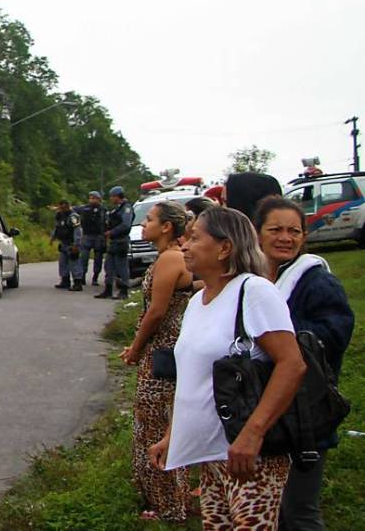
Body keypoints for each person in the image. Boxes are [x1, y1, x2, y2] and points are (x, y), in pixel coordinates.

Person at [148, 207, 307, 530]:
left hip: (248, 455)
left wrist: (252, 435)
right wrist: (172, 434)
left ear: (224, 248)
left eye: (194, 238)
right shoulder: (198, 301)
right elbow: (194, 378)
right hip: (212, 455)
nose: (185, 246)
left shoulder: (254, 292)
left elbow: (292, 365)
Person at [253, 197, 354, 531]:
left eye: (294, 231)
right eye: (276, 229)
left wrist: (281, 340)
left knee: (299, 512)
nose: (286, 237)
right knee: (272, 510)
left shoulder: (315, 281)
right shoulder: (254, 279)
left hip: (305, 413)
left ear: (304, 237)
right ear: (257, 233)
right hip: (264, 408)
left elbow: (335, 334)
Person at [119, 201, 194, 522]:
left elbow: (157, 312)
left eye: (149, 219)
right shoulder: (175, 257)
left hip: (162, 352)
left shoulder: (169, 259)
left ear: (166, 227)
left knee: (154, 426)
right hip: (169, 349)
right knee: (163, 422)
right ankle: (171, 498)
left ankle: (166, 506)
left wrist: (136, 347)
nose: (143, 224)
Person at [95, 186, 133, 299]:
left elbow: (125, 225)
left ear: (118, 196)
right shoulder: (116, 209)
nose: (111, 199)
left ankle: (124, 290)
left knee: (121, 267)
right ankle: (108, 289)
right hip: (113, 241)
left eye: (112, 196)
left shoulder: (126, 208)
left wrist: (112, 232)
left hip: (121, 241)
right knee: (108, 266)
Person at [49, 200, 83, 290]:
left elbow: (77, 231)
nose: (62, 209)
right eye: (61, 207)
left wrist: (77, 244)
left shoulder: (73, 217)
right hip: (63, 243)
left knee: (74, 263)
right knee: (63, 263)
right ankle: (65, 281)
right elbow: (57, 227)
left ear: (68, 206)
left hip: (71, 243)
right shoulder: (60, 216)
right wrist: (52, 238)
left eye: (64, 207)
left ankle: (77, 282)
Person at [76, 191, 107, 286]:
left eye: (94, 198)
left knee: (98, 259)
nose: (91, 200)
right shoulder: (84, 208)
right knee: (83, 258)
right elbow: (73, 209)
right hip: (87, 235)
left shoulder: (103, 210)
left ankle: (95, 278)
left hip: (99, 236)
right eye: (90, 198)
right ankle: (82, 277)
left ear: (99, 199)